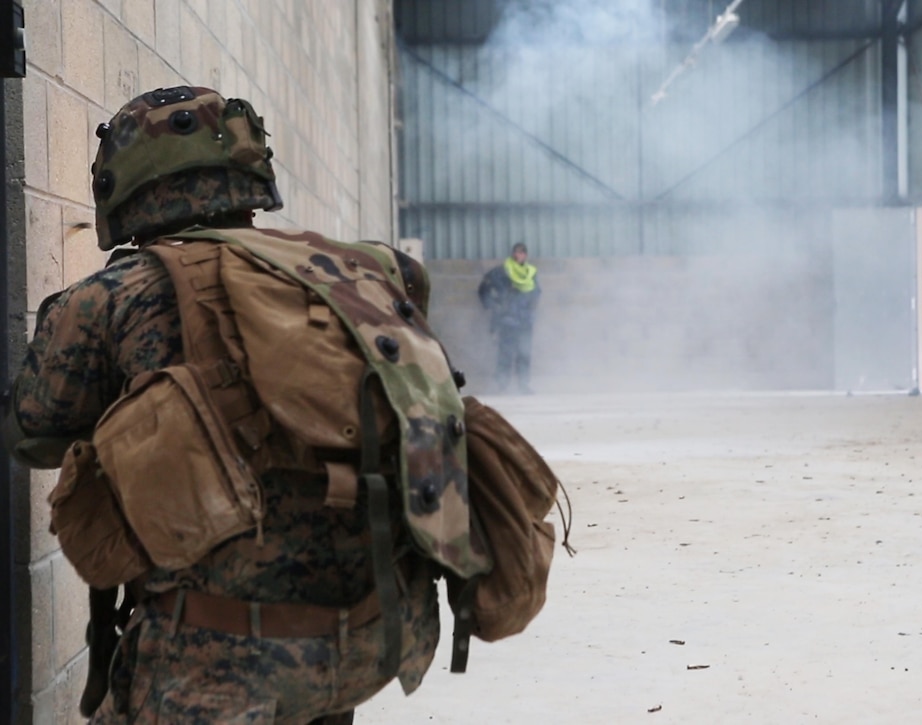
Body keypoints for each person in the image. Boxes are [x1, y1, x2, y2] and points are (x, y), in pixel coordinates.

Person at [2, 86, 485, 724]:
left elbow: (30, 435)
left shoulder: (106, 298)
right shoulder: (362, 272)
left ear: (127, 184)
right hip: (382, 631)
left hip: (217, 662)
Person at [478, 242, 542, 394]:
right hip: (507, 320)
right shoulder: (501, 271)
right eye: (515, 252)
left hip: (525, 321)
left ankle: (523, 385)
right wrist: (493, 305)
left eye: (520, 253)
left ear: (525, 255)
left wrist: (531, 310)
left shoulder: (531, 273)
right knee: (505, 353)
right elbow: (483, 289)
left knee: (524, 353)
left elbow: (537, 293)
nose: (517, 255)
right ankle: (502, 385)